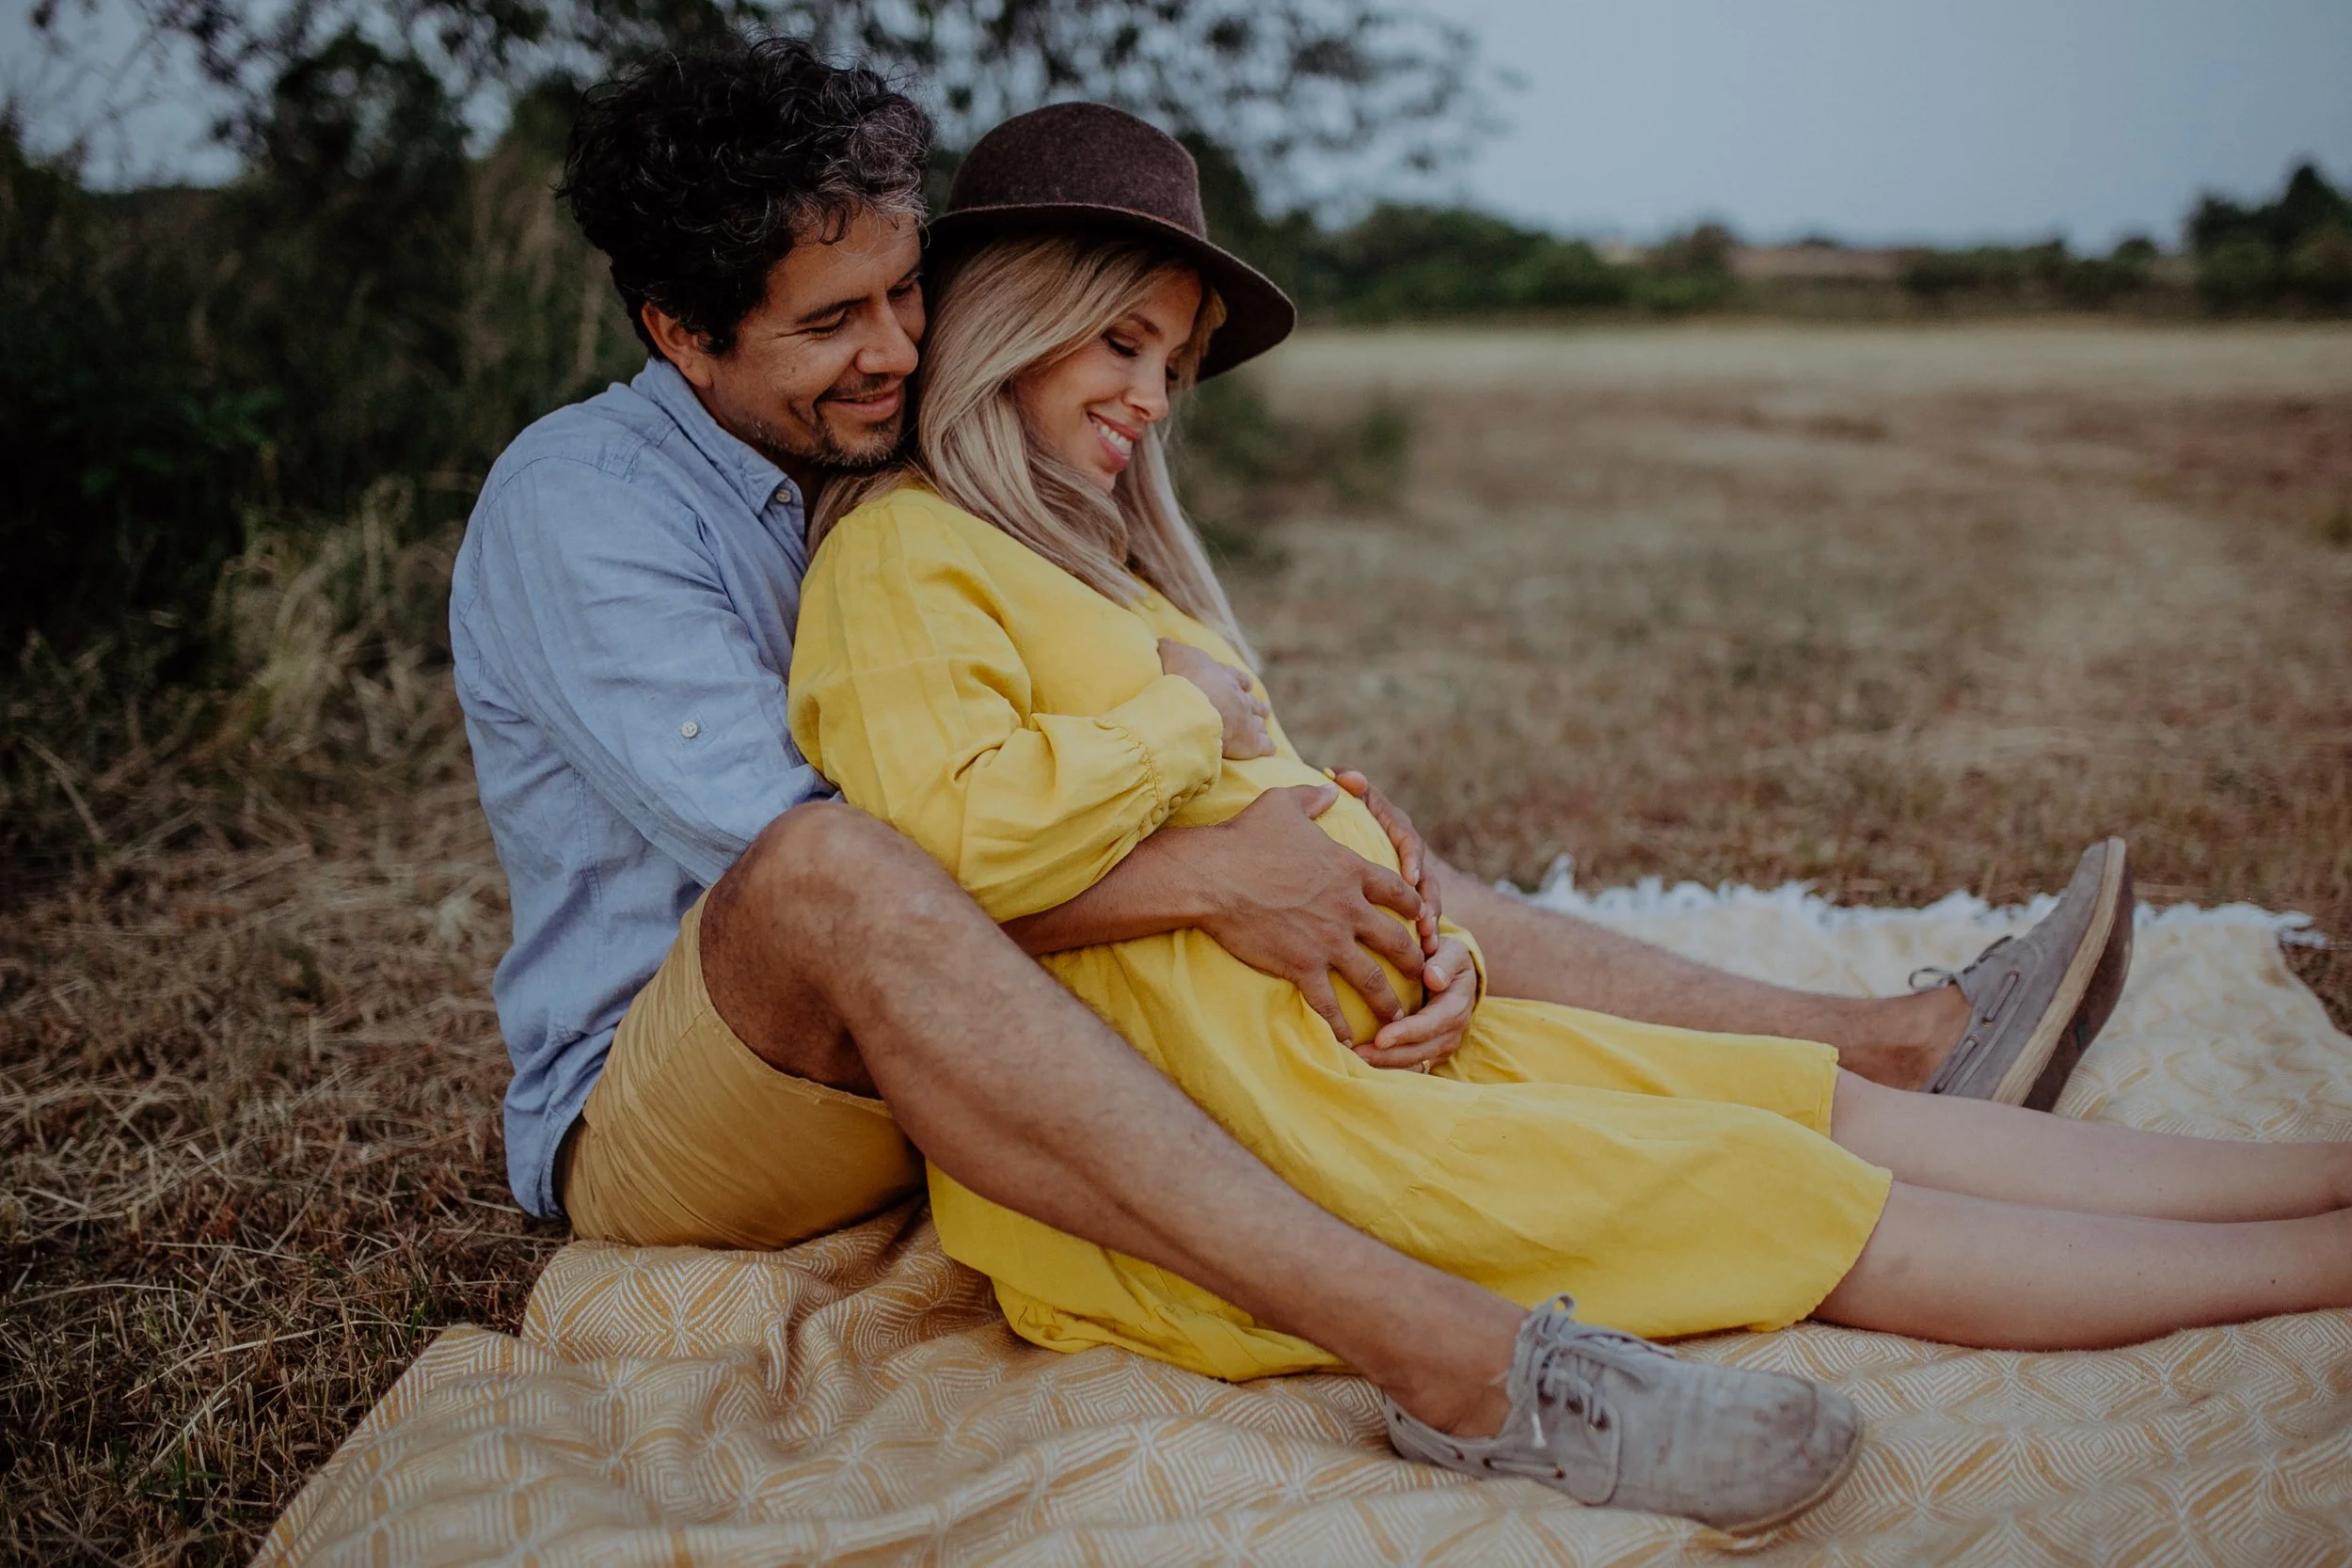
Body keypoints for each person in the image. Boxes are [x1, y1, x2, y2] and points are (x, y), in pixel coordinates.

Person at [451, 40, 2137, 1531]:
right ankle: (1457, 1359)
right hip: (691, 1094)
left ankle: (1889, 1045)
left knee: (1319, 853)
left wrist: (1304, 848)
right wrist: (1209, 879)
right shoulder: (585, 508)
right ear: (681, 330)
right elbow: (839, 870)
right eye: (833, 322)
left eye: (905, 292)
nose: (896, 348)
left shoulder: (882, 453)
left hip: (939, 1027)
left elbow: (1090, 764)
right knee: (851, 868)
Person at [785, 95, 2352, 1513]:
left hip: (1364, 1045)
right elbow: (953, 846)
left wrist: (1422, 939)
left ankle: (2320, 1172)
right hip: (1238, 1132)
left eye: (1170, 364)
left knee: (1788, 1094)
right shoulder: (900, 552)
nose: (1151, 397)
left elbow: (1244, 824)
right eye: (1119, 342)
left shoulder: (1085, 554)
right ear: (1015, 317)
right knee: (1777, 1187)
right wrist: (1177, 713)